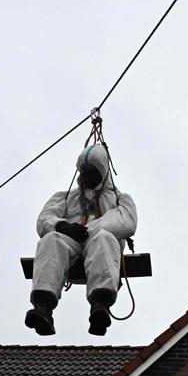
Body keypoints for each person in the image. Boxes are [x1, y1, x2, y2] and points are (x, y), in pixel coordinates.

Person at [26, 143, 137, 336]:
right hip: (70, 242)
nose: (86, 176)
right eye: (83, 171)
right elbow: (44, 220)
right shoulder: (65, 197)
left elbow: (126, 222)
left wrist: (88, 229)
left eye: (92, 172)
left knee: (103, 238)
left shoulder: (119, 199)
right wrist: (63, 226)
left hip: (98, 242)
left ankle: (100, 305)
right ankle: (43, 307)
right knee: (51, 240)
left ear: (102, 173)